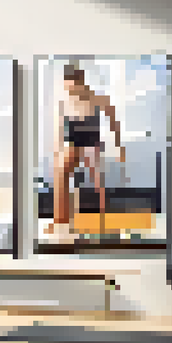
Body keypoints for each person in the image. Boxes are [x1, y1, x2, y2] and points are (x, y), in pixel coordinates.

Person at [49, 64, 124, 238]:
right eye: (68, 88)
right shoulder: (64, 102)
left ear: (81, 82)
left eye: (73, 87)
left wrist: (118, 144)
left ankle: (102, 219)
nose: (71, 91)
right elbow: (59, 128)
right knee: (60, 172)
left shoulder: (97, 99)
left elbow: (113, 120)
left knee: (97, 178)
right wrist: (57, 151)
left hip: (91, 141)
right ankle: (60, 220)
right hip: (73, 141)